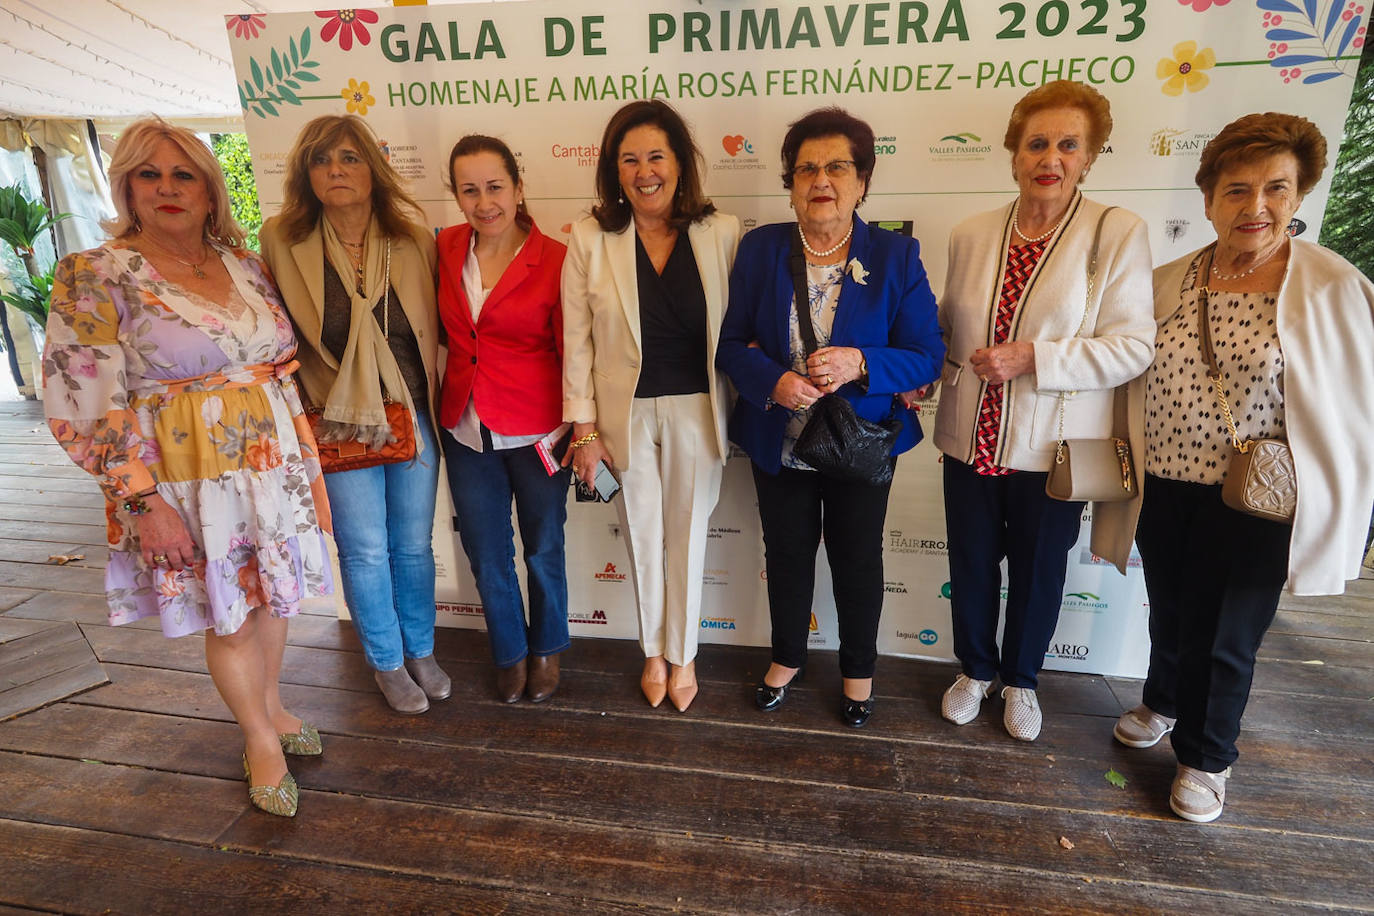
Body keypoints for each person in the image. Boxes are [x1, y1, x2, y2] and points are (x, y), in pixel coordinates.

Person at [42, 117, 333, 817]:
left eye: (184, 174)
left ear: (210, 192)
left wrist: (310, 471)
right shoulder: (95, 272)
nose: (167, 188)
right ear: (127, 189)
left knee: (270, 596)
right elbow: (82, 400)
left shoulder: (246, 265)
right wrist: (142, 503)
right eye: (150, 174)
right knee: (227, 616)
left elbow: (277, 370)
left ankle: (274, 706)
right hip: (184, 478)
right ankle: (258, 737)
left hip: (273, 465)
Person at [1117, 112, 1374, 822]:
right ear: (1208, 201)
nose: (1255, 206)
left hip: (1258, 497)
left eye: (1275, 188)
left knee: (1227, 634)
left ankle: (1207, 756)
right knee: (1171, 612)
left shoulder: (1328, 288)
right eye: (1236, 190)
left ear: (1299, 196)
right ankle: (1163, 701)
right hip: (1164, 482)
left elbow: (1352, 409)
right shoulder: (1172, 278)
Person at [931, 81, 1154, 741]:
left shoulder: (1117, 232)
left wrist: (1036, 357)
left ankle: (1021, 681)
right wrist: (922, 373)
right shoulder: (971, 233)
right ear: (1013, 154)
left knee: (1037, 570)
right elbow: (950, 328)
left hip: (1053, 447)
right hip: (970, 437)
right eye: (1036, 143)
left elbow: (1133, 347)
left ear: (1089, 157)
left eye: (1067, 145)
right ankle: (975, 670)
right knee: (970, 563)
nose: (1049, 158)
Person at [716, 107, 944, 728]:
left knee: (857, 556)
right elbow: (731, 343)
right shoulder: (762, 249)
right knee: (786, 553)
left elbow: (928, 353)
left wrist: (861, 362)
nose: (822, 179)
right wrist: (774, 381)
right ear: (790, 183)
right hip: (779, 438)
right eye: (807, 168)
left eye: (837, 166)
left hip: (860, 441)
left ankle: (858, 670)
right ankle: (787, 658)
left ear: (863, 180)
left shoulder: (896, 254)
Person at [259, 115, 447, 716]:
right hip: (336, 421)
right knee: (365, 549)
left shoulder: (412, 238)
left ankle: (420, 649)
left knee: (413, 545)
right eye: (321, 161)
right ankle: (387, 662)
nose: (335, 171)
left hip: (413, 415)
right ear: (305, 174)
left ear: (373, 168)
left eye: (349, 158)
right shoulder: (282, 241)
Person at [562, 100, 740, 713]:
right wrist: (583, 429)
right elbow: (577, 336)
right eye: (629, 159)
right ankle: (653, 653)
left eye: (656, 156)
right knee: (641, 536)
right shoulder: (590, 237)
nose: (644, 171)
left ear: (680, 164)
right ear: (615, 170)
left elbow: (743, 330)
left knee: (688, 538)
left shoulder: (722, 232)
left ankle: (685, 654)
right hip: (624, 417)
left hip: (698, 409)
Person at [437, 135, 570, 703]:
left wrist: (582, 429)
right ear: (456, 196)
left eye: (495, 187)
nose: (484, 202)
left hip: (539, 429)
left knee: (543, 546)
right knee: (487, 551)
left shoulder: (557, 259)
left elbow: (573, 352)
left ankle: (548, 648)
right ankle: (510, 652)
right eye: (470, 190)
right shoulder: (443, 248)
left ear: (518, 188)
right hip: (466, 429)